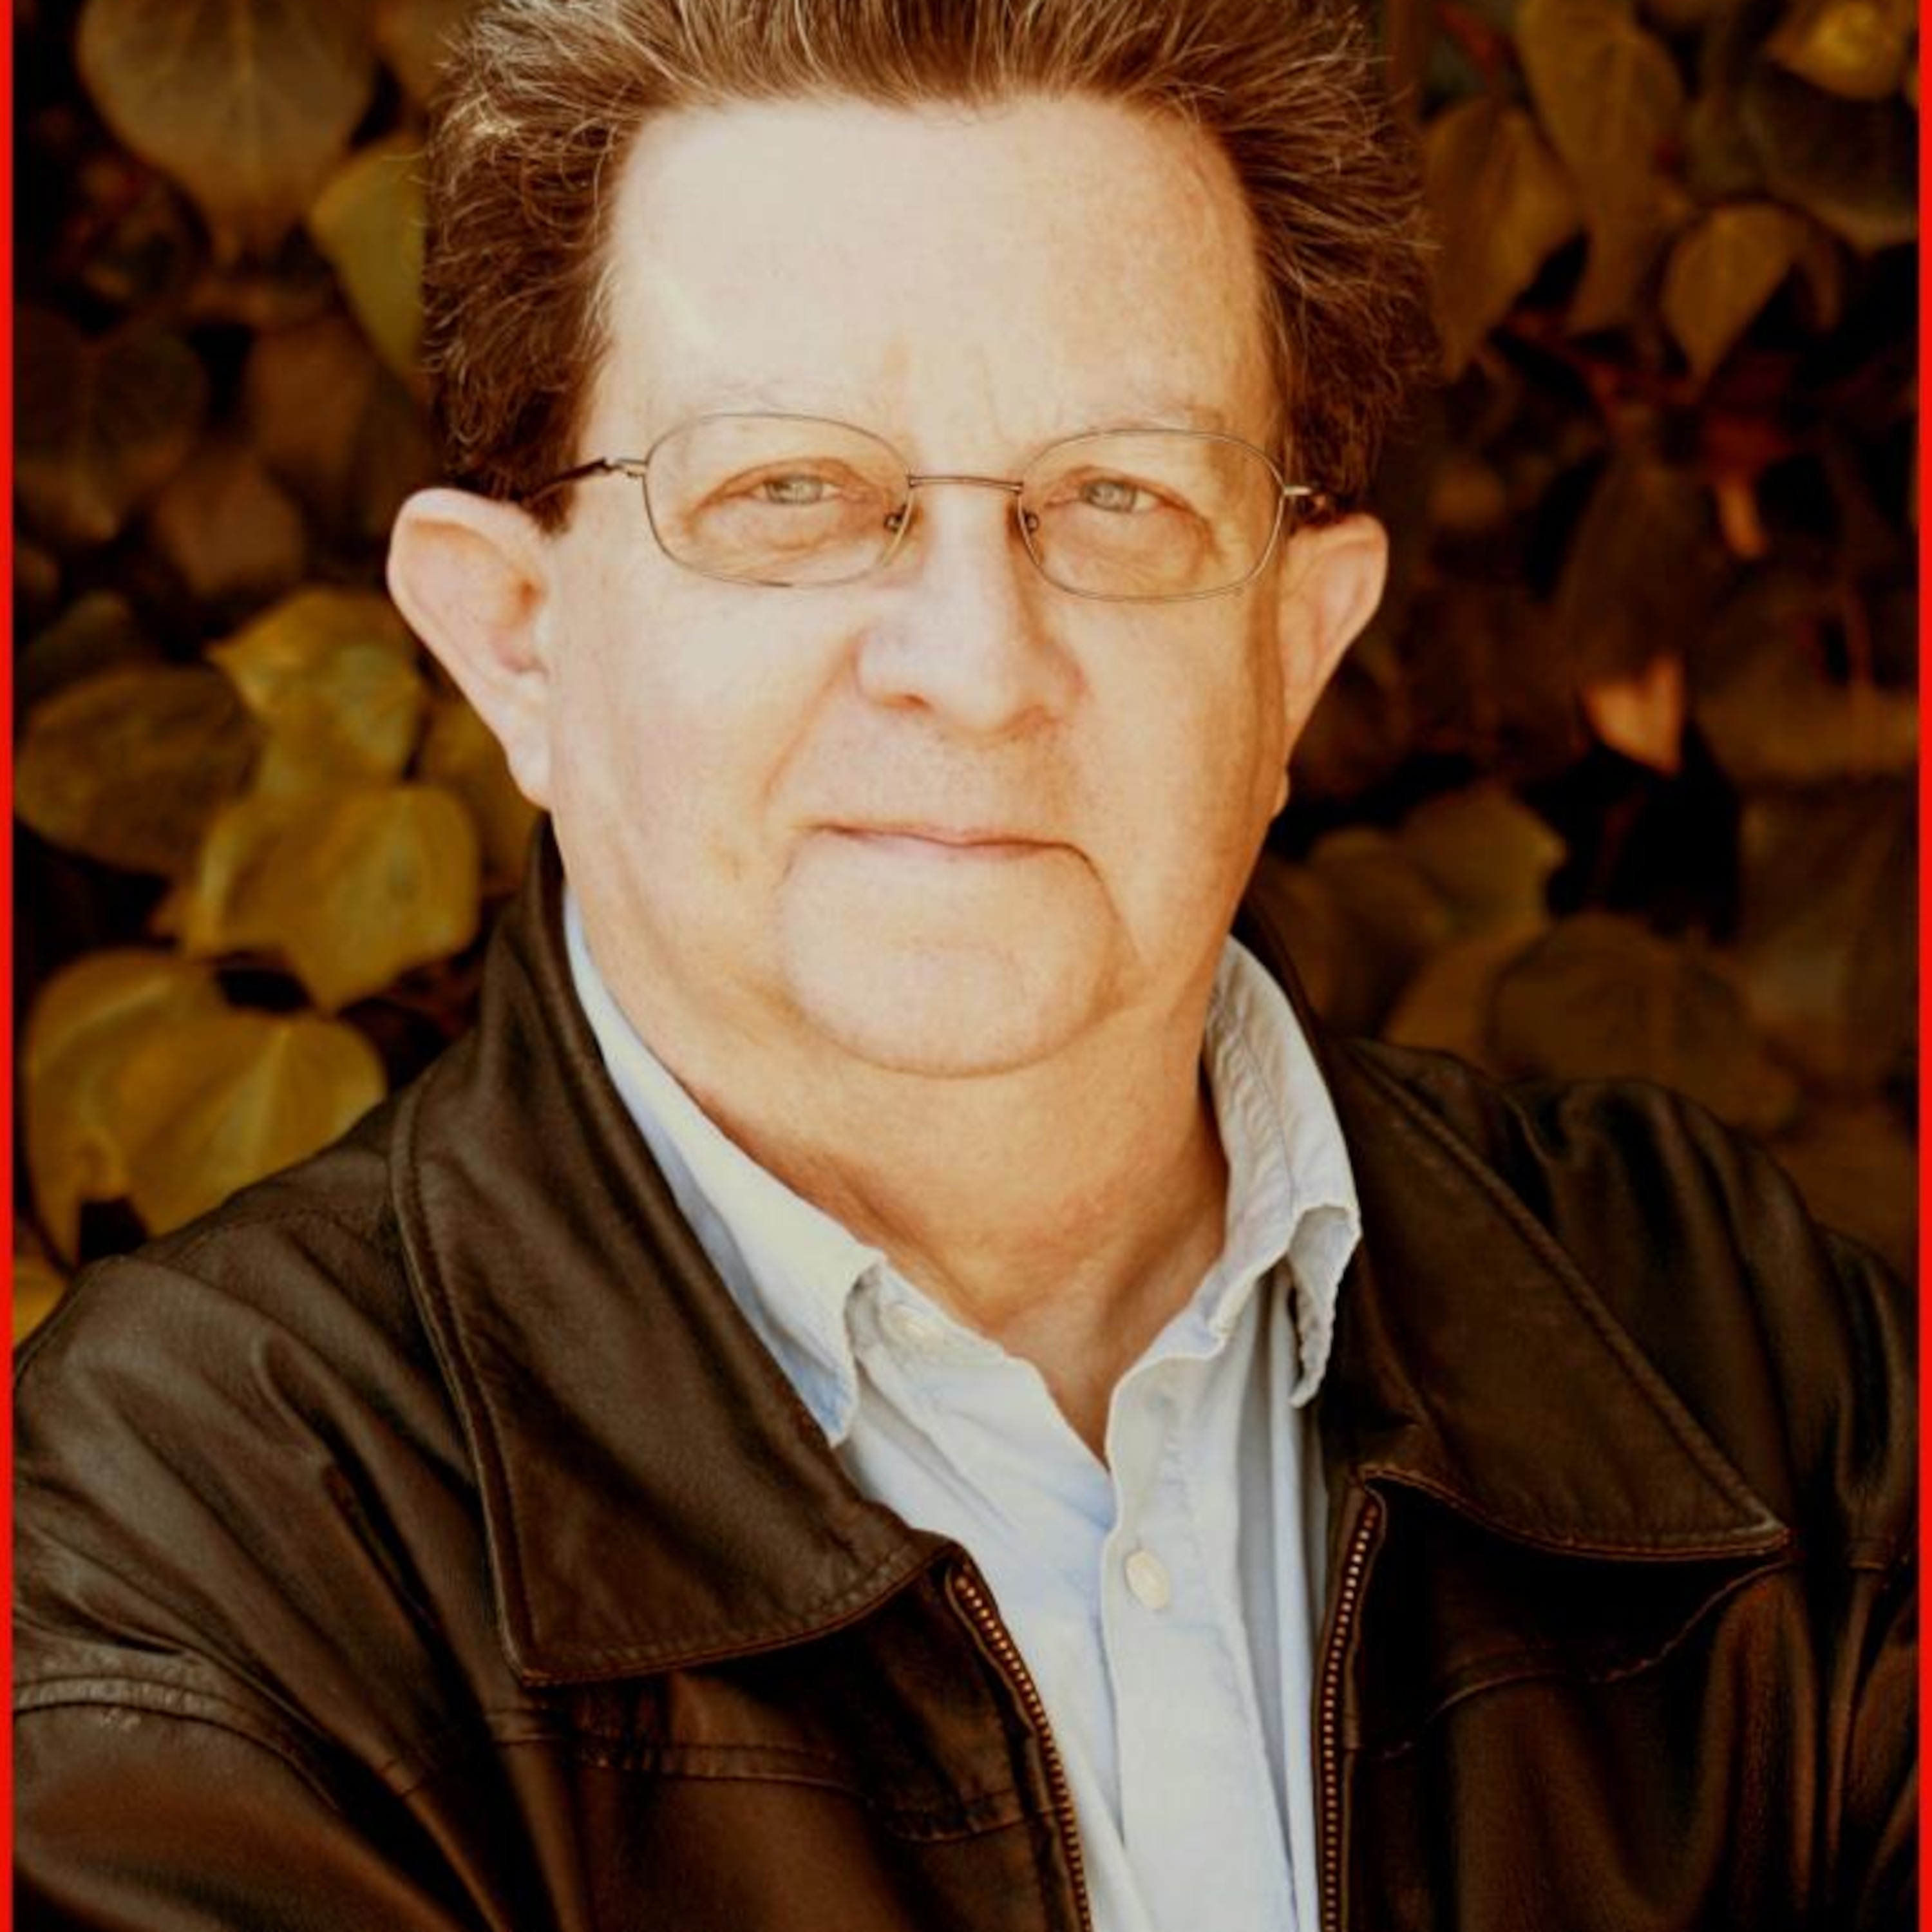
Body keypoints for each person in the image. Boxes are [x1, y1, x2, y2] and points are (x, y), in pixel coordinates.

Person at [14, 0, 1913, 1926]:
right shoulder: (197, 1534)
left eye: (1120, 497)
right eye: (789, 493)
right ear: (517, 640)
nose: (976, 664)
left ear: (1295, 654)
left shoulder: (1737, 1352)